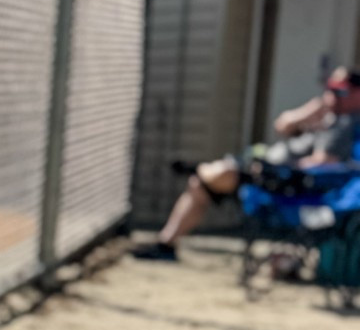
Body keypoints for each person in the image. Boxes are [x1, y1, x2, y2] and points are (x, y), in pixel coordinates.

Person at [134, 65, 360, 260]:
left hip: (283, 182)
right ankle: (167, 243)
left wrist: (283, 169)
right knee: (199, 185)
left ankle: (197, 171)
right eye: (330, 88)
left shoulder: (345, 124)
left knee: (215, 175)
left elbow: (323, 165)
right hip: (272, 173)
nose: (332, 95)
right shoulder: (326, 116)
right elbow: (282, 126)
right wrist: (310, 112)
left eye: (339, 90)